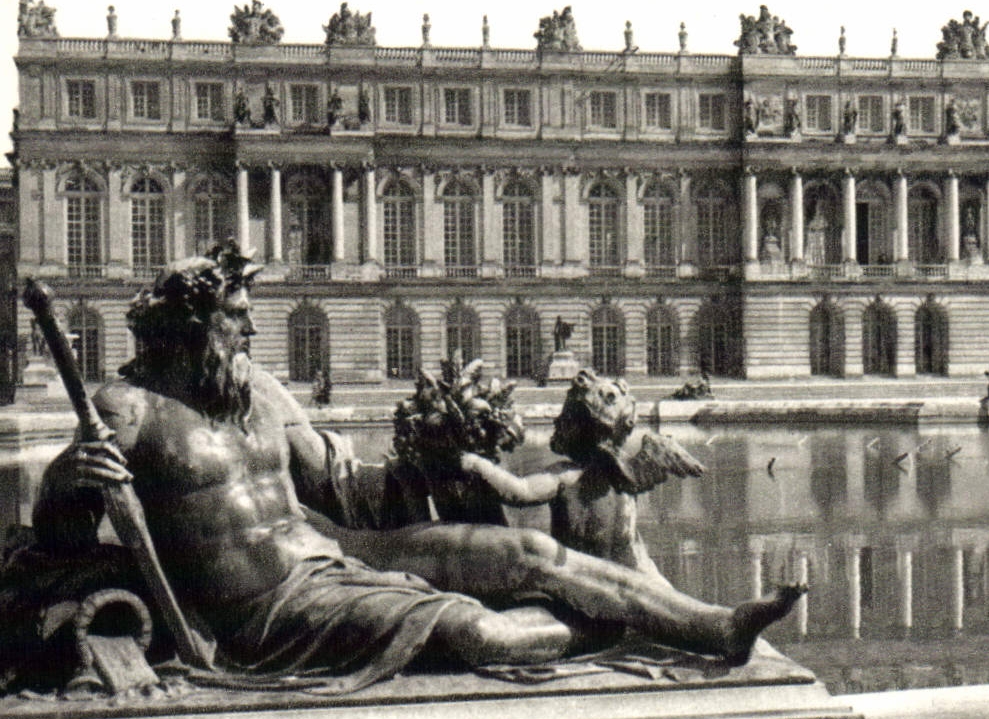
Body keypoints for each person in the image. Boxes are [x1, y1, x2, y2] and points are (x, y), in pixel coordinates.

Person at [27, 245, 801, 694]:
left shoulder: (259, 390)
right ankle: (613, 627)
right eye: (236, 316)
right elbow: (58, 535)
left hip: (333, 559)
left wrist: (434, 456)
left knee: (526, 552)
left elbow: (349, 494)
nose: (252, 327)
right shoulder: (127, 407)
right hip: (265, 616)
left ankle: (711, 625)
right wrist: (71, 480)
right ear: (193, 324)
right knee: (484, 631)